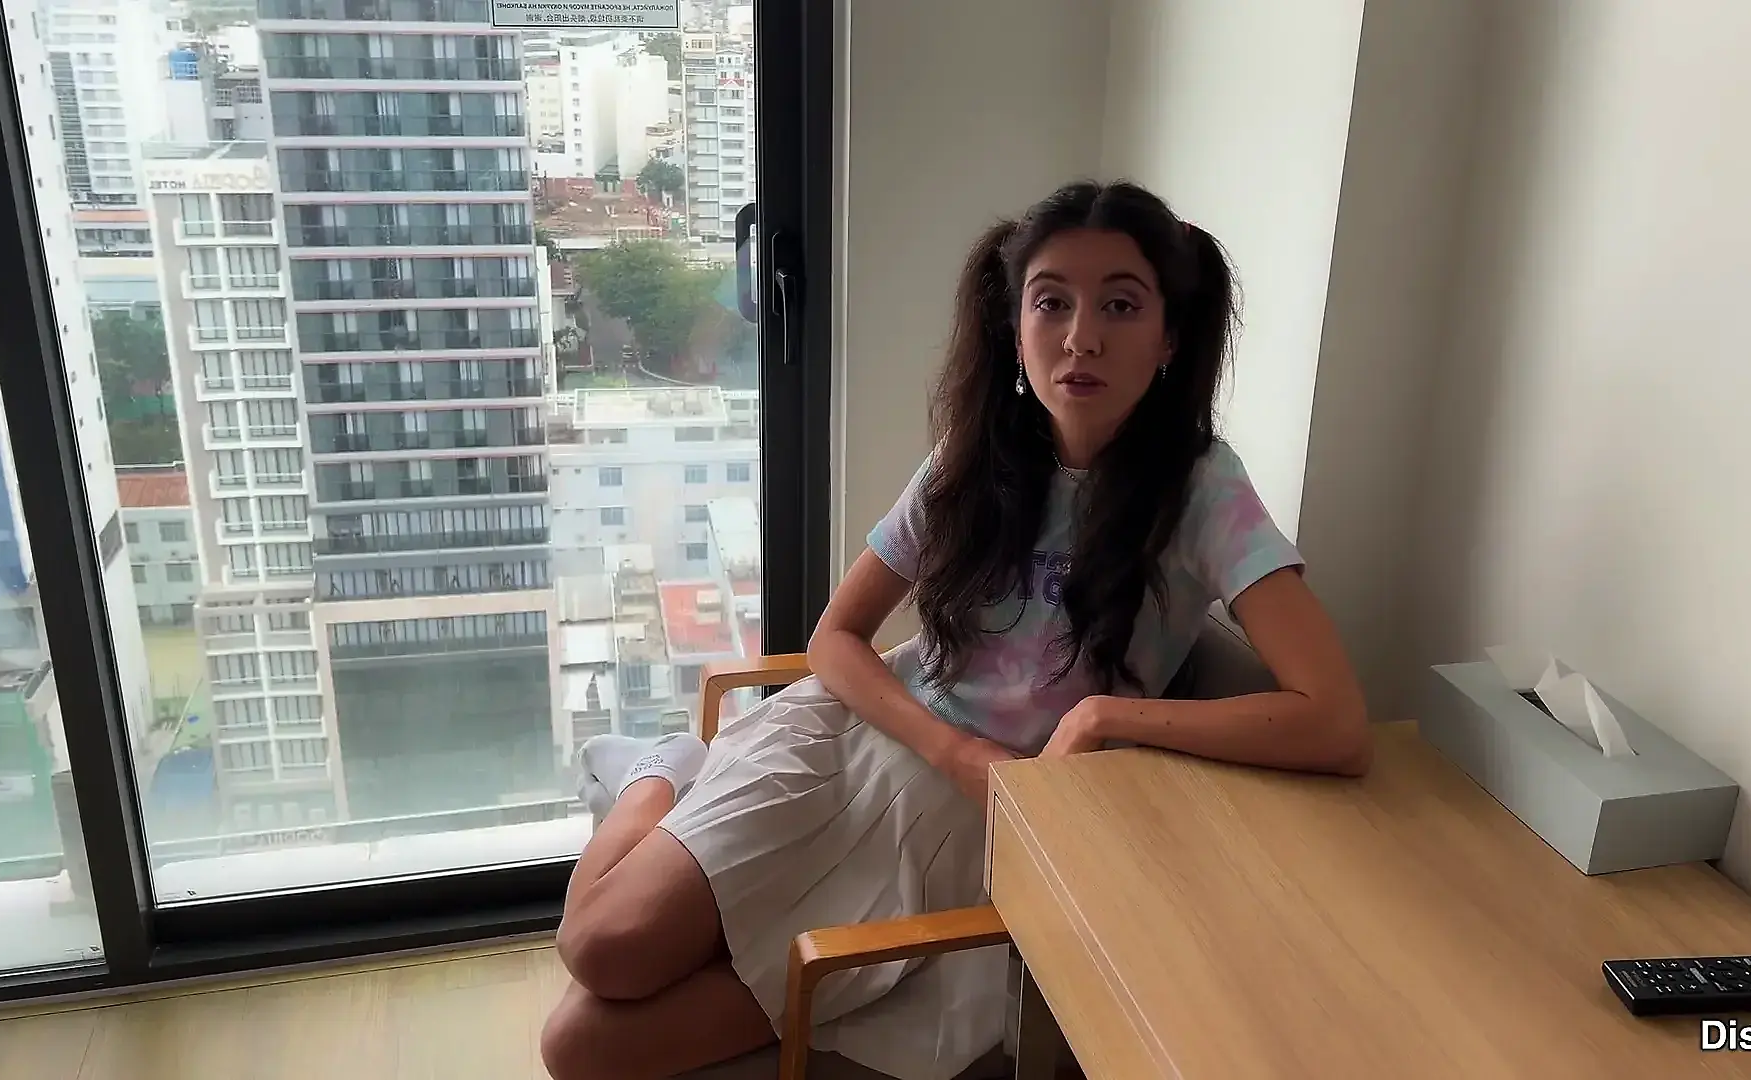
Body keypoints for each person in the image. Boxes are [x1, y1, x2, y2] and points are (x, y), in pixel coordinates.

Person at [539, 180, 1371, 1080]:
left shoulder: (1202, 489)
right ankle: (662, 772)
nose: (1081, 338)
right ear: (1015, 325)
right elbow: (835, 639)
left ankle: (699, 844)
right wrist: (953, 749)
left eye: (1121, 305)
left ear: (1169, 336)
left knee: (578, 1048)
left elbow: (1333, 720)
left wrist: (1105, 718)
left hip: (984, 822)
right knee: (599, 945)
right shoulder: (974, 456)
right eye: (1051, 302)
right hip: (862, 738)